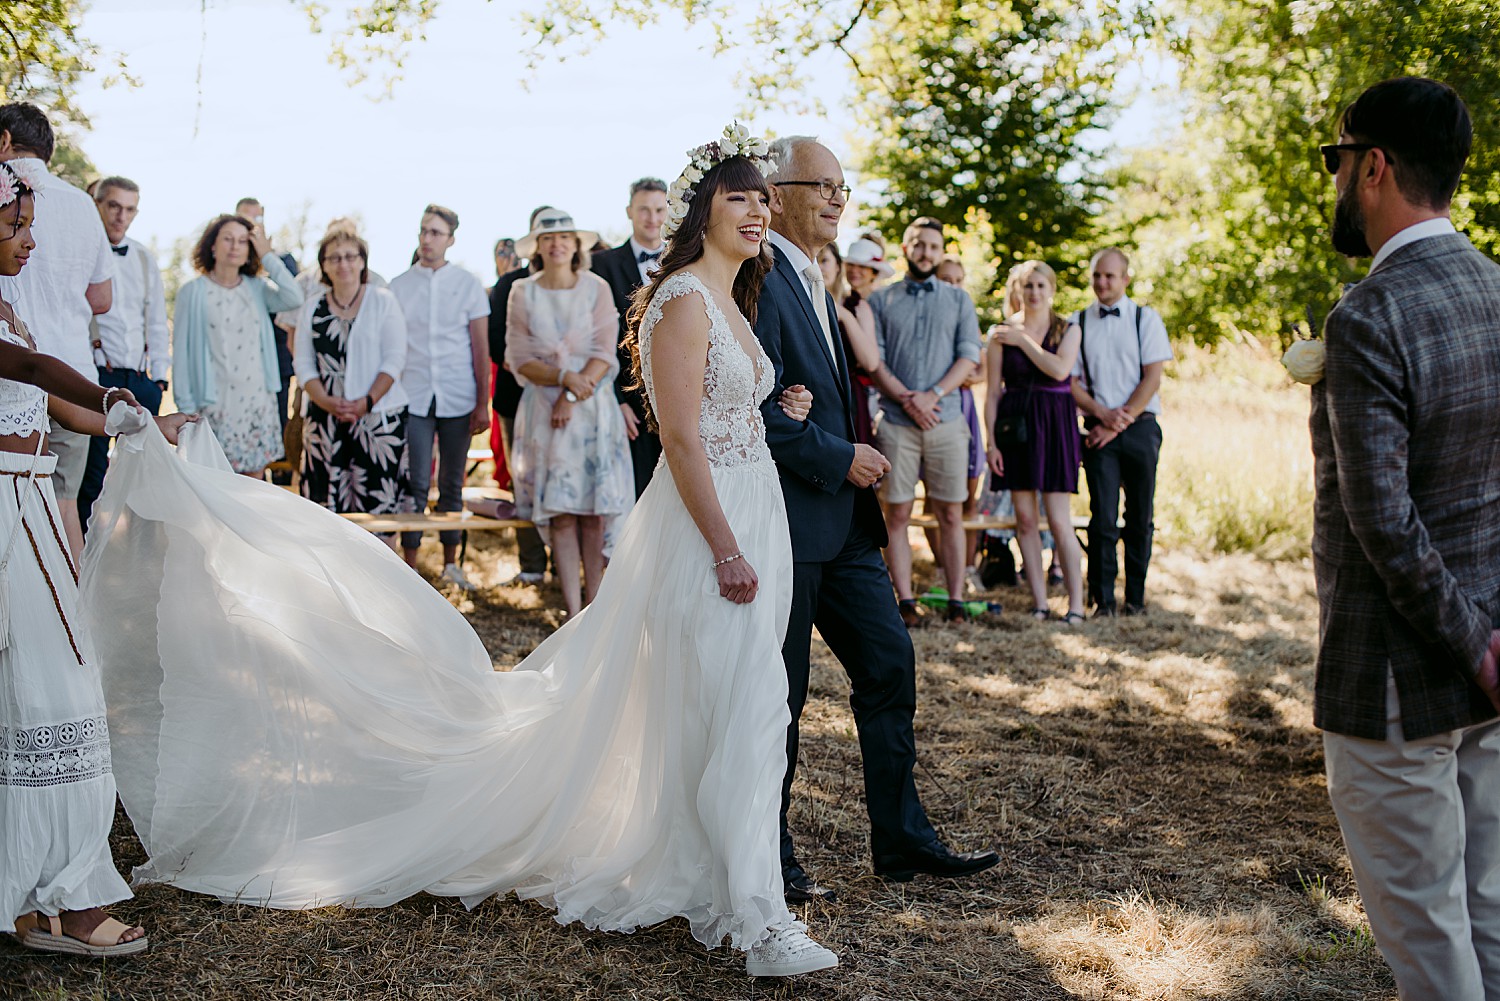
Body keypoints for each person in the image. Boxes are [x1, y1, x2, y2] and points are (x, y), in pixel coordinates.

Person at [86, 130, 837, 980]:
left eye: (763, 199)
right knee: (742, 703)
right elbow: (681, 438)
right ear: (703, 212)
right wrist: (727, 548)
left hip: (750, 507)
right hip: (712, 527)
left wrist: (789, 401)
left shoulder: (736, 298)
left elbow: (728, 407)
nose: (758, 211)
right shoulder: (685, 302)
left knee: (738, 701)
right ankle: (760, 919)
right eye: (740, 196)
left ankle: (715, 874)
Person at [756, 136, 997, 902]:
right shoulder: (754, 281)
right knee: (780, 701)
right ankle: (769, 852)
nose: (837, 197)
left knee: (891, 666)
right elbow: (743, 412)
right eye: (822, 185)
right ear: (777, 191)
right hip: (787, 524)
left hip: (850, 529)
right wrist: (840, 455)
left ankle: (901, 839)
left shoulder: (818, 283)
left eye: (842, 186)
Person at [1311, 77, 1500, 1001]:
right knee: (1490, 920)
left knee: (1429, 944)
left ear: (1373, 165)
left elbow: (1381, 518)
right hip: (1492, 662)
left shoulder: (1372, 313)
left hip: (1397, 678)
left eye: (1336, 162)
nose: (1335, 182)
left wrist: (1476, 648)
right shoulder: (1496, 289)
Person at [0, 160, 192, 959]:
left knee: (25, 693)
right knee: (60, 687)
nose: (31, 238)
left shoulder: (10, 302)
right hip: (9, 508)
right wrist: (111, 396)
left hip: (28, 497)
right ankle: (65, 895)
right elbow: (36, 370)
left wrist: (130, 420)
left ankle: (32, 890)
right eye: (16, 225)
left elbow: (44, 395)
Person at [504, 209, 632, 619]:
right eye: (548, 237)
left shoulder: (596, 288)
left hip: (592, 411)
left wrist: (572, 394)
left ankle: (595, 606)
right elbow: (520, 357)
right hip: (543, 411)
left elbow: (604, 349)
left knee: (593, 512)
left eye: (565, 236)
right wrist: (561, 378)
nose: (557, 243)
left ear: (577, 244)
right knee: (560, 512)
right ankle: (572, 610)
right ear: (537, 247)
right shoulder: (522, 292)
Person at [0, 103, 114, 559]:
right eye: (19, 228)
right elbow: (102, 300)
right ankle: (73, 616)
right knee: (62, 505)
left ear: (5, 140)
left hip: (58, 388)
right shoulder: (83, 204)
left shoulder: (15, 199)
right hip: (68, 367)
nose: (30, 241)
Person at [867, 217, 982, 625]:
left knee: (951, 512)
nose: (925, 252)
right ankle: (906, 601)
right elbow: (874, 359)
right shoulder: (881, 301)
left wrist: (932, 395)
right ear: (906, 248)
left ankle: (955, 600)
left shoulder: (958, 301)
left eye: (933, 246)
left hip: (946, 421)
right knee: (896, 513)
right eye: (918, 244)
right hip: (896, 423)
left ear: (942, 250)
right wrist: (906, 398)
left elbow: (969, 354)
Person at [390, 204, 491, 590]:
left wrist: (482, 401)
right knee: (415, 482)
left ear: (450, 239)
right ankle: (410, 565)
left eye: (436, 232)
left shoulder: (467, 283)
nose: (427, 239)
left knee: (452, 483)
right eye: (423, 231)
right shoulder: (398, 286)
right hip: (412, 396)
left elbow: (479, 347)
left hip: (458, 394)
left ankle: (451, 564)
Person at [1069, 248, 1172, 617]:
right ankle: (1103, 601)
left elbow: (1153, 377)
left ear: (1125, 279)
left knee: (1140, 516)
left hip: (1140, 428)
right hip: (1096, 430)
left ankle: (1136, 600)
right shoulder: (1076, 321)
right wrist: (1102, 417)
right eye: (1097, 275)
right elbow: (1072, 382)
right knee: (1103, 519)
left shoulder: (1146, 318)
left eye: (1110, 276)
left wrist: (1120, 422)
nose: (1102, 282)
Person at [291, 229, 411, 538]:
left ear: (362, 262)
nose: (343, 263)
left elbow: (395, 359)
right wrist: (325, 401)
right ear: (324, 266)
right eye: (334, 258)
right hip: (324, 420)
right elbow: (303, 363)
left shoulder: (383, 302)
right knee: (324, 512)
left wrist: (366, 402)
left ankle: (380, 582)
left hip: (377, 420)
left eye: (350, 256)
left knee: (377, 509)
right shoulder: (312, 307)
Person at [986, 261, 1085, 623]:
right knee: (1025, 519)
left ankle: (1075, 604)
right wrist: (991, 443)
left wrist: (1024, 341)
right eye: (1028, 286)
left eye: (1041, 285)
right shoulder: (1000, 335)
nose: (1034, 293)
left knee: (1059, 520)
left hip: (1056, 425)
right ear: (1018, 289)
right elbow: (993, 393)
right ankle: (1039, 602)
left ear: (1051, 290)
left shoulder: (1068, 329)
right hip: (1016, 428)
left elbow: (1060, 370)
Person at [173, 214, 303, 478]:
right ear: (212, 246)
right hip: (211, 405)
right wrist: (186, 409)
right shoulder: (193, 291)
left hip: (256, 404)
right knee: (212, 488)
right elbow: (182, 355)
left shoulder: (258, 289)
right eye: (228, 239)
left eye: (243, 241)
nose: (234, 246)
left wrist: (267, 255)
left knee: (253, 490)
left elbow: (294, 297)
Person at [76, 176, 170, 531]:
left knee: (144, 478)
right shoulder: (81, 250)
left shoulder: (144, 258)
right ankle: (82, 560)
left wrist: (158, 379)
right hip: (98, 376)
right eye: (114, 206)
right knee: (93, 476)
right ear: (97, 204)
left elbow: (157, 321)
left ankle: (139, 558)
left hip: (142, 382)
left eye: (129, 209)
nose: (121, 216)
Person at [591, 178, 668, 497]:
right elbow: (597, 338)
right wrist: (616, 400)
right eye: (644, 210)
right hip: (627, 399)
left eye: (659, 209)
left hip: (678, 394)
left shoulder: (689, 261)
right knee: (636, 495)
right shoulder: (602, 265)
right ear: (629, 211)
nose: (652, 218)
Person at [489, 207, 552, 586]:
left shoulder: (579, 282)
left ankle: (564, 558)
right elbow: (498, 343)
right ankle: (531, 564)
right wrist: (535, 369)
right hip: (516, 400)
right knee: (523, 480)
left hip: (565, 404)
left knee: (560, 475)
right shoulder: (509, 283)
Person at [933, 254, 987, 590]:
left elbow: (980, 369)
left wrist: (963, 376)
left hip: (963, 406)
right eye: (946, 278)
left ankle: (968, 567)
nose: (952, 285)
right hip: (935, 407)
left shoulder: (965, 313)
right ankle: (943, 565)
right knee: (934, 494)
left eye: (957, 279)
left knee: (969, 490)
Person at [236, 198, 301, 440]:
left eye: (257, 218)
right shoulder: (232, 261)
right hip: (238, 365)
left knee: (278, 426)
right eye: (246, 218)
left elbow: (293, 299)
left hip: (276, 361)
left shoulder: (281, 261)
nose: (252, 225)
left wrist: (266, 257)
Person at [815, 241, 877, 444]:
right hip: (810, 398)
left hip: (849, 397)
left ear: (838, 267)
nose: (818, 266)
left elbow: (871, 362)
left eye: (824, 260)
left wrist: (844, 316)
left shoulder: (857, 307)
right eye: (814, 260)